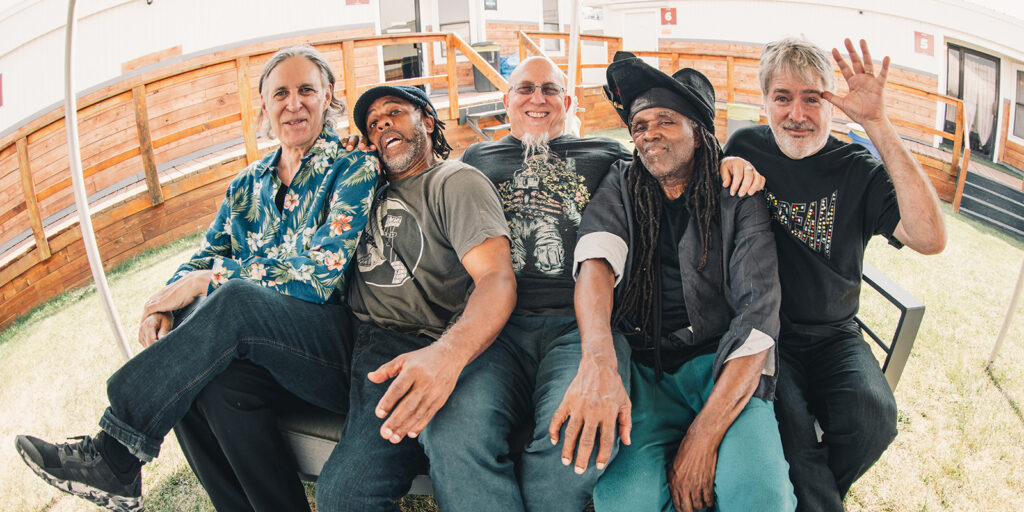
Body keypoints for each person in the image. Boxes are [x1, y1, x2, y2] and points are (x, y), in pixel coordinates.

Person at [14, 45, 378, 512]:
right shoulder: (246, 187)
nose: (294, 103)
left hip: (331, 350)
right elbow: (206, 255)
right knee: (200, 382)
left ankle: (116, 451)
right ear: (263, 106)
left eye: (307, 89)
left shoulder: (353, 167)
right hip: (260, 358)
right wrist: (166, 302)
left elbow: (323, 272)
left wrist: (211, 280)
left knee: (235, 298)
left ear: (329, 95)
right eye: (280, 93)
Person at [559, 54, 797, 512]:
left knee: (760, 497)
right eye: (639, 126)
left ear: (699, 131)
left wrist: (702, 439)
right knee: (627, 504)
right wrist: (598, 359)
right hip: (647, 372)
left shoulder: (737, 195)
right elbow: (596, 263)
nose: (648, 134)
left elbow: (758, 316)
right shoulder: (623, 182)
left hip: (723, 367)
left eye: (664, 121)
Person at [722, 37, 946, 512]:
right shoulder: (745, 145)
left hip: (834, 335)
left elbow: (929, 238)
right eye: (782, 97)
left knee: (875, 420)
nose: (796, 114)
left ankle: (809, 495)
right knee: (797, 438)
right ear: (765, 101)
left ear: (833, 104)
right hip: (765, 332)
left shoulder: (857, 170)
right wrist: (724, 164)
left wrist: (878, 124)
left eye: (813, 98)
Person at [312, 85, 517, 512]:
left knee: (344, 496)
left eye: (394, 112)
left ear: (426, 120)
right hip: (346, 334)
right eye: (373, 124)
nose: (383, 122)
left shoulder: (454, 180)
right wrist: (351, 162)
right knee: (237, 306)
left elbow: (496, 278)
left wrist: (446, 356)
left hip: (413, 345)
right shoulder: (365, 189)